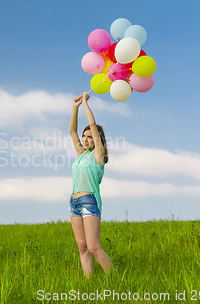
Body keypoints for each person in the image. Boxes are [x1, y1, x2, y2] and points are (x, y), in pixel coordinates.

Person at [69, 91, 113, 276]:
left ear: (96, 139)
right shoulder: (82, 154)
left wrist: (86, 102)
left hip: (89, 201)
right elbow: (72, 131)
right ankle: (88, 283)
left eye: (89, 136)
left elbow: (93, 125)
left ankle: (114, 280)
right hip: (74, 202)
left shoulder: (98, 155)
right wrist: (75, 107)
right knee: (82, 247)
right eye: (84, 136)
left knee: (94, 247)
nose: (86, 139)